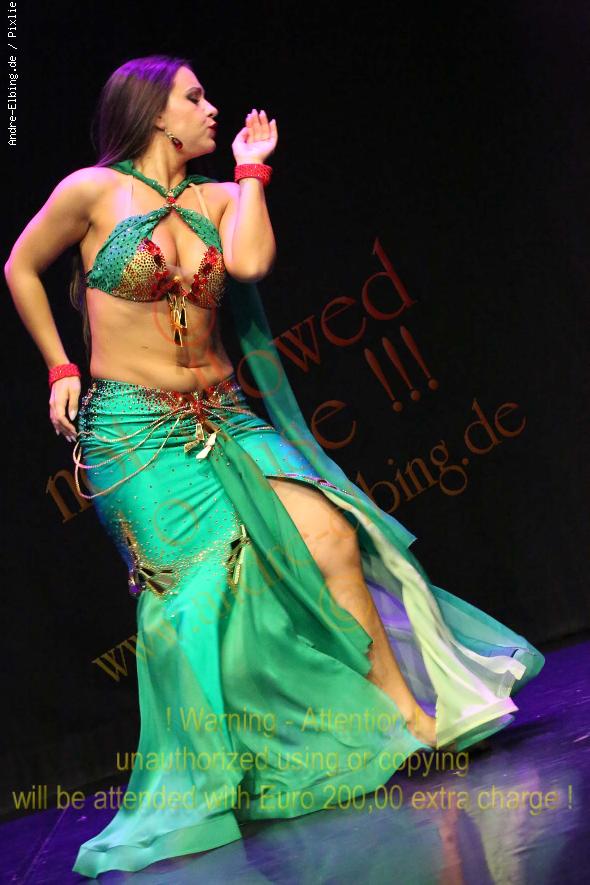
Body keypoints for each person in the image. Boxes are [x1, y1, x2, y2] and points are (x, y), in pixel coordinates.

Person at [4, 54, 545, 878]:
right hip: (135, 434)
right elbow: (19, 266)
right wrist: (58, 365)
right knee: (195, 597)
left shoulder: (221, 197)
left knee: (332, 535)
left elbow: (250, 263)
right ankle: (213, 778)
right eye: (194, 97)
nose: (211, 109)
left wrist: (253, 171)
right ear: (154, 113)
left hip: (224, 413)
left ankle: (407, 717)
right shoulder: (92, 191)